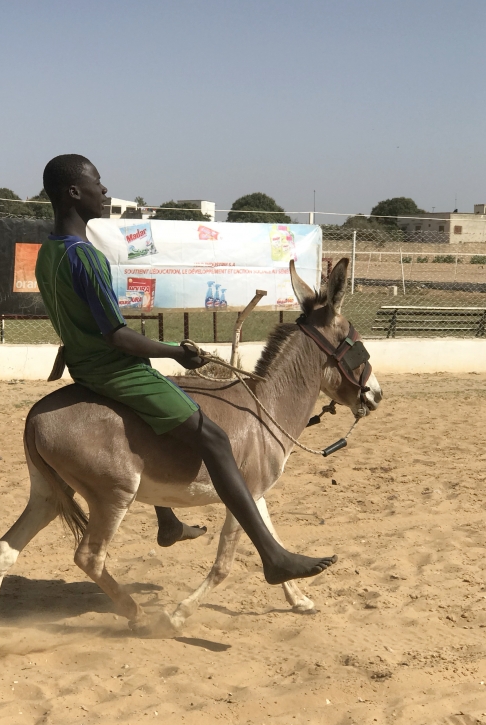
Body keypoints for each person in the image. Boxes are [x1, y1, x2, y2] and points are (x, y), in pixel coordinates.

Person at [35, 154, 336, 584]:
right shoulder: (86, 257)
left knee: (161, 421)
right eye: (97, 183)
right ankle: (273, 556)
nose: (104, 191)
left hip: (85, 366)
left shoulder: (49, 252)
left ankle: (168, 520)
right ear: (73, 193)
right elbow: (117, 336)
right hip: (115, 369)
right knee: (213, 437)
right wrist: (177, 352)